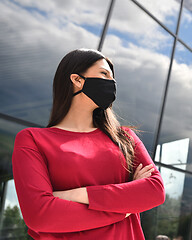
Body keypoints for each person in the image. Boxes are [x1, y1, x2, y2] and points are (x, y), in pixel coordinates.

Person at [11, 49, 165, 239]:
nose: (112, 83)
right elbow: (40, 216)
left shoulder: (125, 138)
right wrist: (125, 207)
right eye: (104, 74)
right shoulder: (33, 139)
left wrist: (77, 195)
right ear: (77, 80)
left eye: (112, 77)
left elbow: (155, 191)